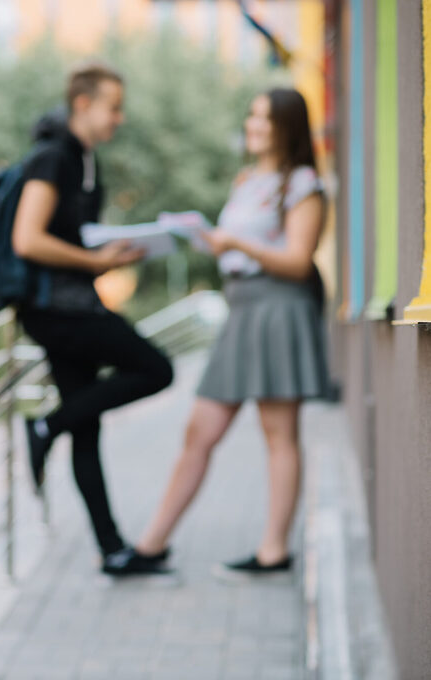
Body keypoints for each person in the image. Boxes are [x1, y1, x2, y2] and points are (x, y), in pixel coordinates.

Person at [131, 87, 329, 578]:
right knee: (200, 431)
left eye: (266, 117)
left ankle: (273, 550)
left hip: (279, 309)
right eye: (252, 115)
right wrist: (211, 242)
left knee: (279, 433)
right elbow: (240, 249)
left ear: (288, 126)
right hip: (241, 309)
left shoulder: (304, 183)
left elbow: (298, 261)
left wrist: (237, 241)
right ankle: (151, 545)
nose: (254, 125)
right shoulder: (247, 179)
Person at [11, 62, 175, 576]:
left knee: (88, 425)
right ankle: (45, 425)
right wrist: (97, 263)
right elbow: (28, 238)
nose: (119, 118)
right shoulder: (52, 156)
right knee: (156, 369)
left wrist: (114, 250)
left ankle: (112, 551)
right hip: (56, 311)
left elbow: (73, 234)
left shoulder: (83, 160)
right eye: (113, 107)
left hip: (71, 305)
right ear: (83, 104)